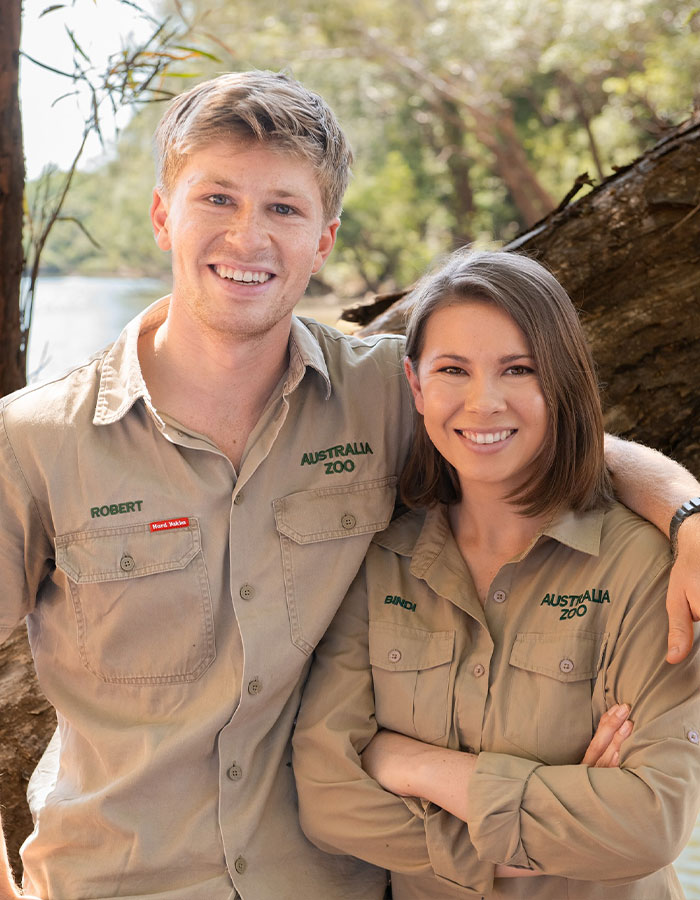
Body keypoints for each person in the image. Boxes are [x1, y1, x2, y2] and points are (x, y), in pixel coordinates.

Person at [0, 72, 698, 900]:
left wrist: (688, 516)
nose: (247, 236)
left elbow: (550, 442)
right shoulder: (34, 441)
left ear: (324, 238)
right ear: (163, 216)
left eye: (284, 209)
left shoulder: (383, 394)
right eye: (217, 198)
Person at [293, 249, 700, 899]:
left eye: (518, 370)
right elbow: (326, 795)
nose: (484, 402)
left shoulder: (644, 567)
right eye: (453, 369)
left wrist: (415, 764)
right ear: (415, 384)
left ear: (560, 384)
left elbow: (650, 824)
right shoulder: (380, 566)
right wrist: (540, 837)